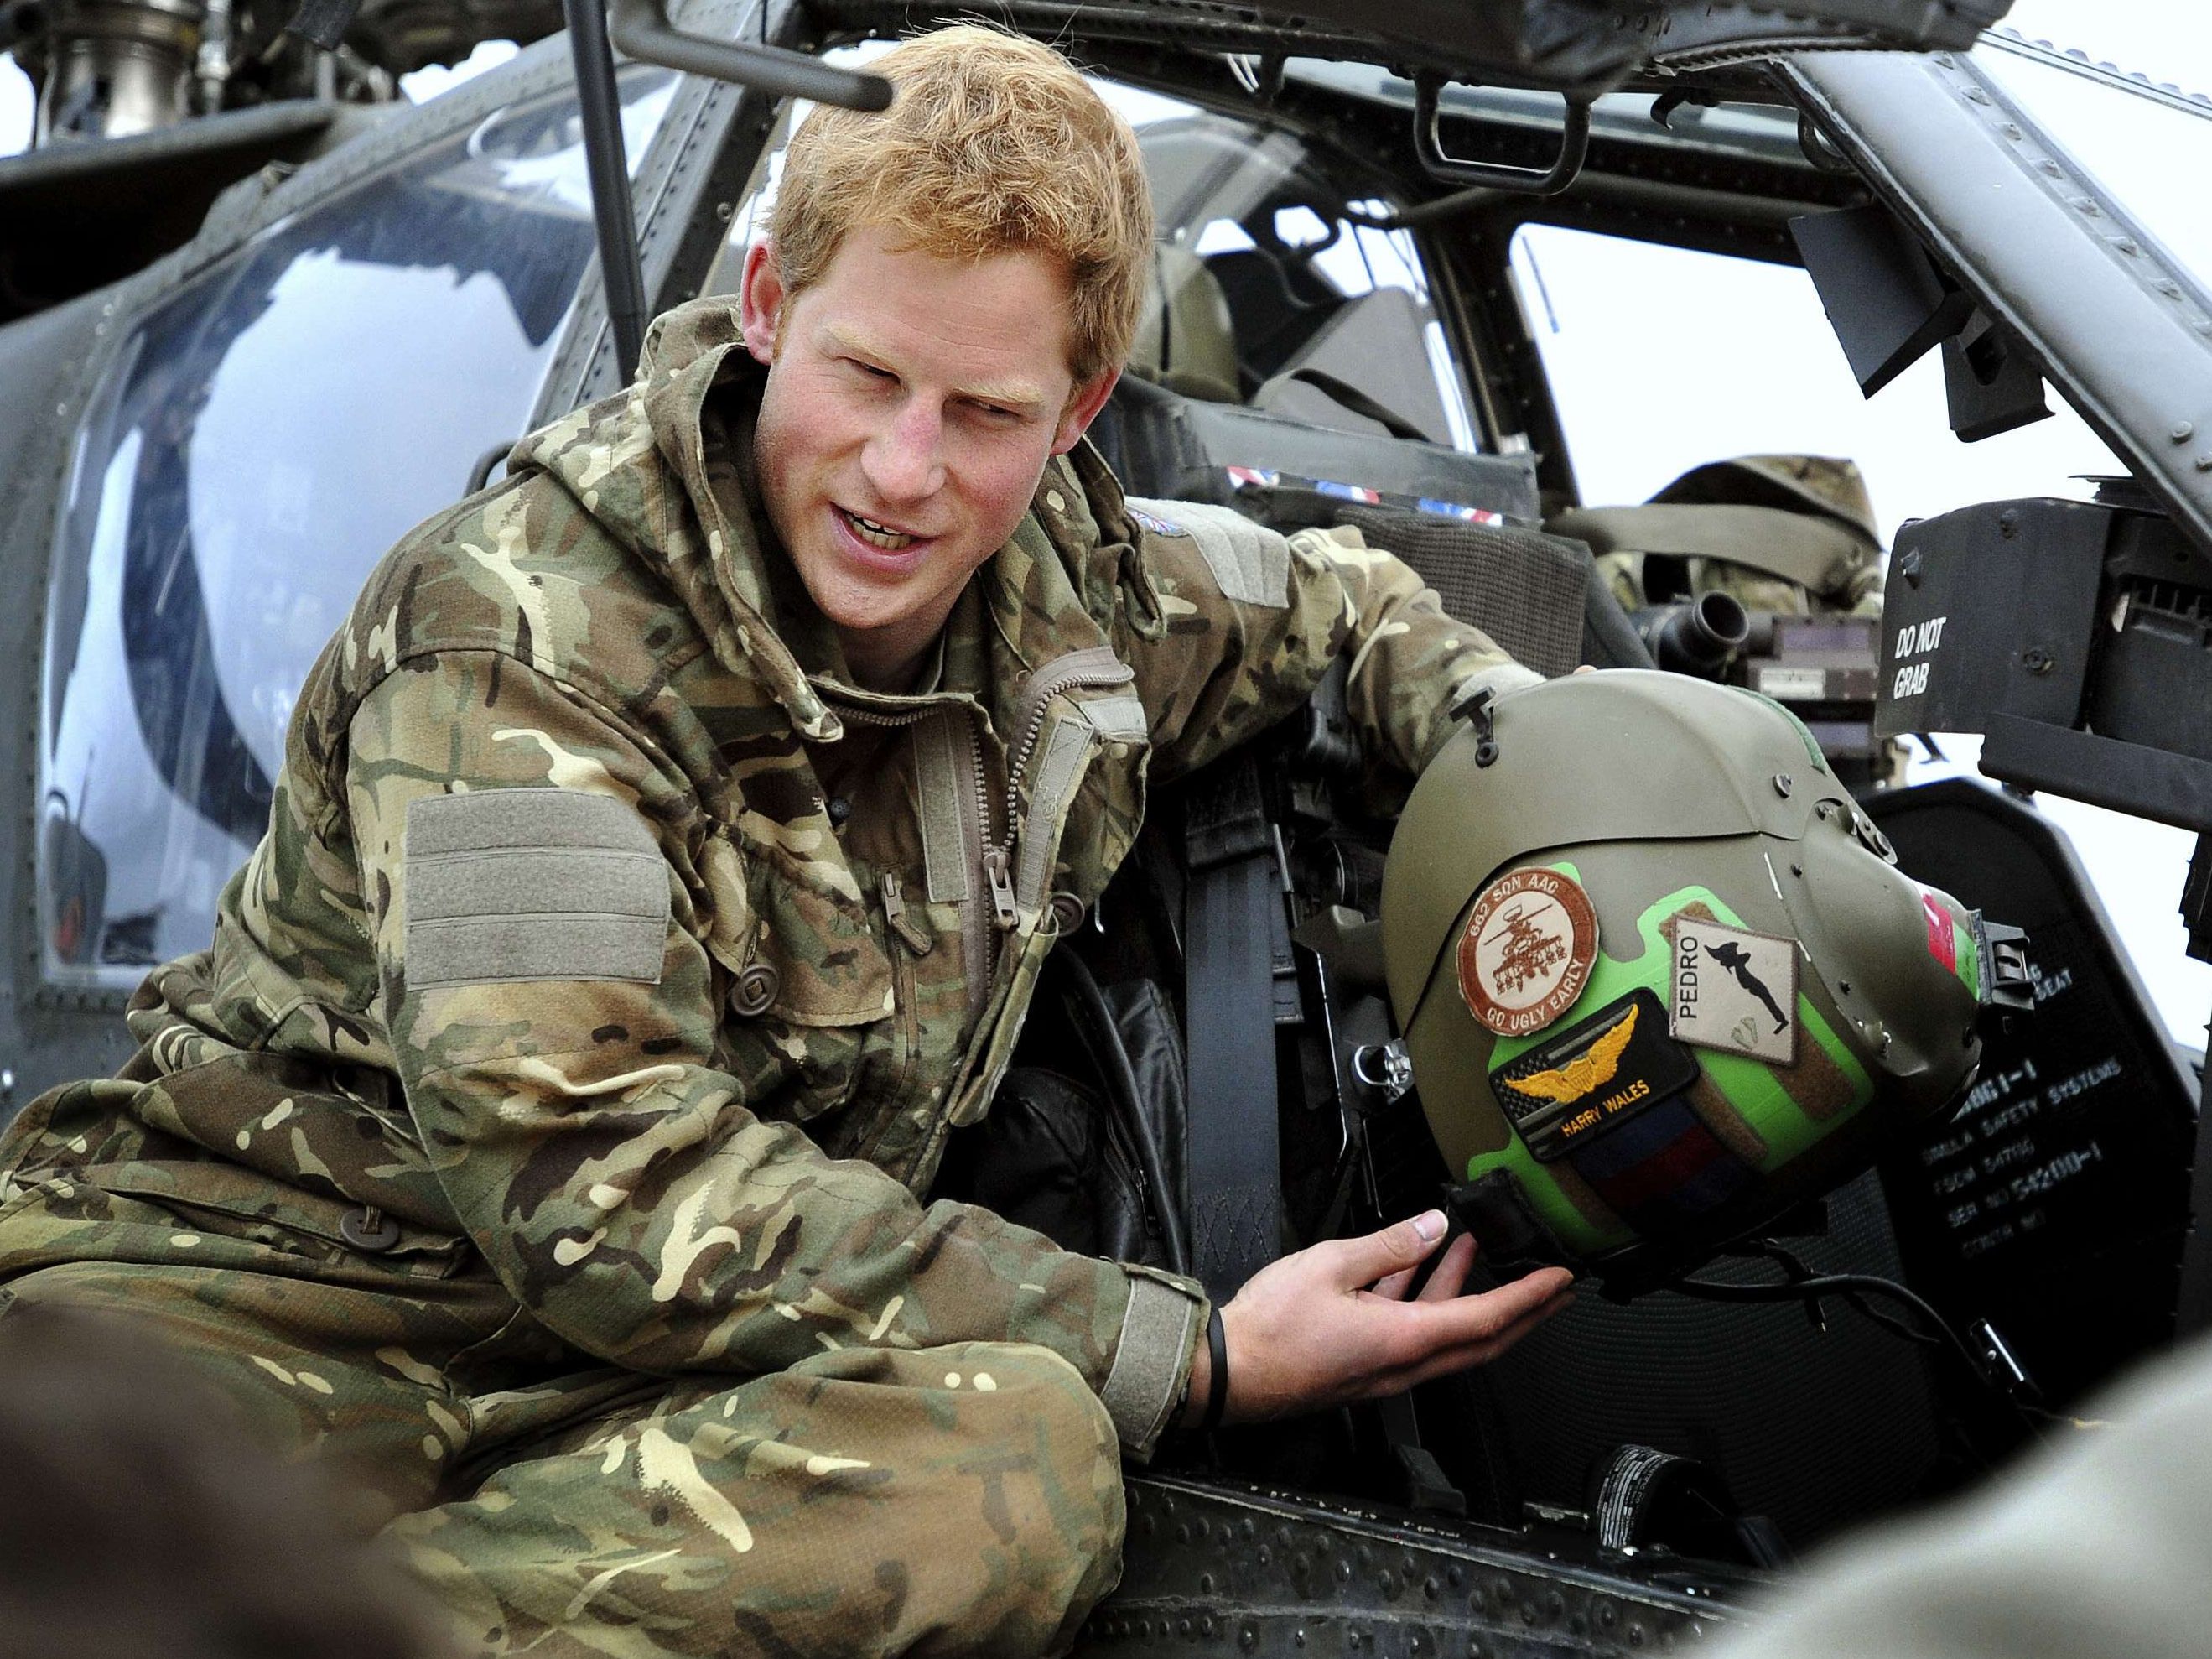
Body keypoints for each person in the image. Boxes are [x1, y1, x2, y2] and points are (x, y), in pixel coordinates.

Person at [0, 25, 1572, 1657]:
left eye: (982, 411)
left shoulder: (1085, 610)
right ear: (765, 308)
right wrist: (1199, 1350)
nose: (902, 472)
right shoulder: (517, 641)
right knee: (113, 1566)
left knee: (1022, 1463)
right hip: (261, 1322)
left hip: (649, 1381)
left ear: (1076, 409)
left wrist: (1538, 757)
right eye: (865, 376)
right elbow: (587, 1179)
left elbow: (1354, 604)